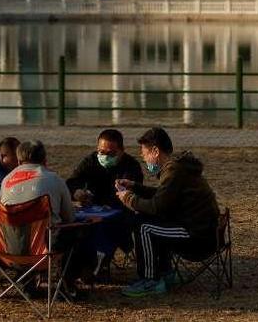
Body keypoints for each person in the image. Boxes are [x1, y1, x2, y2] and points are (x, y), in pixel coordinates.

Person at [116, 127, 220, 298]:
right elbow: (164, 196)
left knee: (144, 226)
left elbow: (157, 206)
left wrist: (129, 199)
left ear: (155, 151)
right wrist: (135, 187)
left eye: (144, 153)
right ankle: (165, 273)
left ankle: (150, 280)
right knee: (149, 220)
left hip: (196, 236)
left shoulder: (173, 170)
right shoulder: (177, 167)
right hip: (205, 229)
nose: (143, 157)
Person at [0, 140, 90, 296]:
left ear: (19, 161)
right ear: (44, 160)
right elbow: (69, 218)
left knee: (25, 231)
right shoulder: (54, 179)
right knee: (78, 230)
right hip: (43, 251)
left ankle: (27, 283)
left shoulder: (6, 180)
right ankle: (68, 285)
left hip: (9, 249)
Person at [65, 129, 144, 279]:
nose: (105, 157)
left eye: (111, 154)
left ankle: (100, 262)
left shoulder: (131, 166)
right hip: (92, 208)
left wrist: (111, 203)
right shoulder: (91, 161)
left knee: (108, 225)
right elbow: (71, 182)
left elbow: (132, 194)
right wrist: (77, 192)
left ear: (121, 151)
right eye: (101, 152)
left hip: (119, 212)